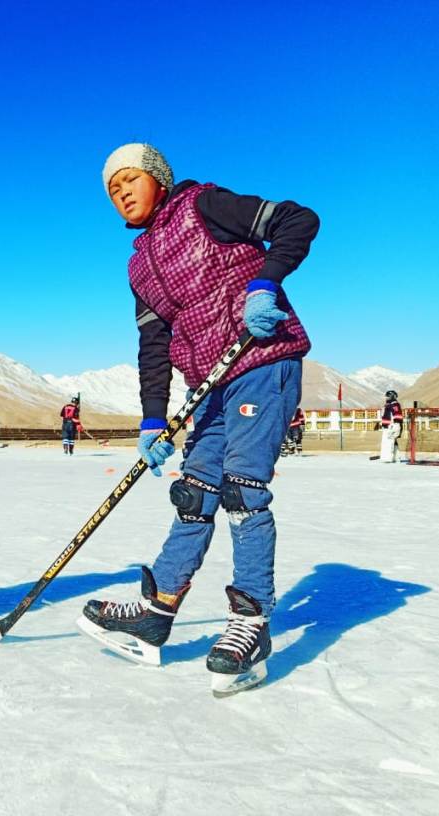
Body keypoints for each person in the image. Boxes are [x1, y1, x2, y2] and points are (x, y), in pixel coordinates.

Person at [78, 143, 318, 696]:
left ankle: (251, 622)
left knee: (243, 491)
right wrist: (153, 420)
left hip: (262, 360)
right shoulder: (140, 264)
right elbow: (153, 344)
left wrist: (266, 282)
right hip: (209, 383)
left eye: (129, 181)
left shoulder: (204, 205)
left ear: (158, 179)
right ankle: (156, 610)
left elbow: (297, 220)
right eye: (112, 190)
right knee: (194, 494)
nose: (121, 194)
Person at [379, 390, 403, 463]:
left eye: (388, 396)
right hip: (386, 426)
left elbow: (397, 415)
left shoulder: (395, 404)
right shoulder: (387, 404)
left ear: (392, 396)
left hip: (391, 425)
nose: (386, 398)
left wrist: (397, 424)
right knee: (392, 442)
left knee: (388, 442)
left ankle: (387, 458)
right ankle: (396, 457)